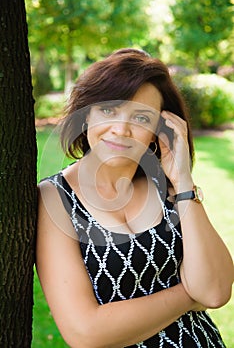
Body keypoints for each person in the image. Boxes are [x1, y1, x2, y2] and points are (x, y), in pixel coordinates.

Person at [36, 48, 234, 348]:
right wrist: (189, 293)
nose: (121, 129)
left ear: (158, 130)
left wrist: (184, 182)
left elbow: (217, 291)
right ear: (86, 114)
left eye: (141, 117)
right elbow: (86, 333)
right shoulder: (55, 198)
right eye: (108, 110)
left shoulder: (167, 185)